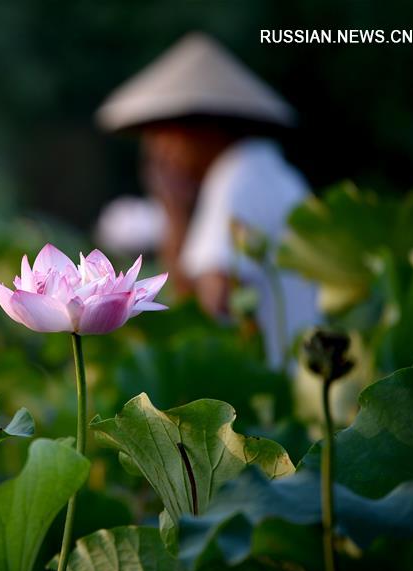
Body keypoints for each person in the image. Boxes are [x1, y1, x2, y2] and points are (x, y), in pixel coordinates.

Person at [96, 32, 317, 368]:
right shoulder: (269, 169)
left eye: (162, 134)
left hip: (272, 389)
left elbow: (208, 314)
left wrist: (174, 216)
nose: (156, 153)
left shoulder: (238, 179)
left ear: (202, 128)